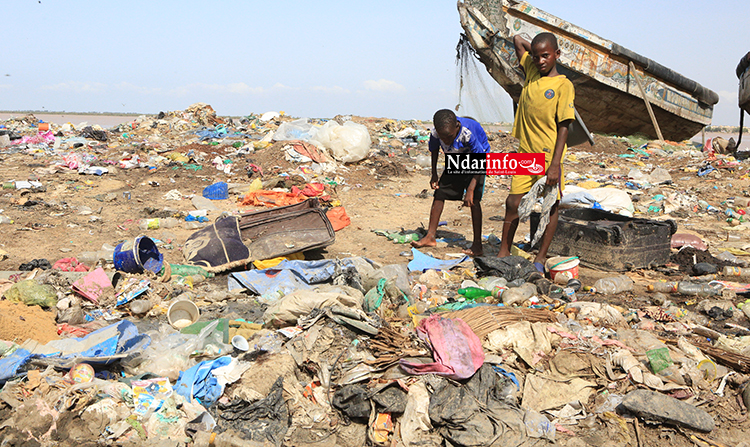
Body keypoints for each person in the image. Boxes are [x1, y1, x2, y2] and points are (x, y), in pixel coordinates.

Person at [496, 32, 575, 273]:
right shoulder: (531, 71)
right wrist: (536, 50)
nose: (540, 61)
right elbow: (518, 39)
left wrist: (555, 164)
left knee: (549, 207)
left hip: (548, 156)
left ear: (557, 55)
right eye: (537, 56)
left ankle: (540, 257)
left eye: (546, 56)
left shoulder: (563, 85)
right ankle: (503, 250)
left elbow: (564, 126)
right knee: (513, 202)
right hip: (525, 153)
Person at [412, 109, 490, 256]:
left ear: (457, 127)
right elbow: (434, 150)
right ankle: (430, 237)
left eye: (449, 137)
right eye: (443, 138)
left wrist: (471, 189)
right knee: (440, 193)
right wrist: (434, 173)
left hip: (477, 159)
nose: (446, 141)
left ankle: (477, 245)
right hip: (456, 158)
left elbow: (481, 159)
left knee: (474, 201)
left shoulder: (467, 133)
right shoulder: (436, 133)